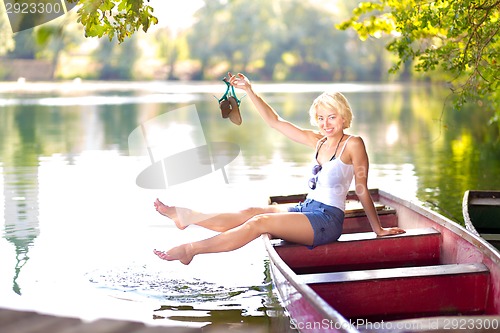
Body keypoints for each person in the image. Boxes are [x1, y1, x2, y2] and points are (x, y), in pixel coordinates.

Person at [153, 73, 405, 265]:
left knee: (260, 222)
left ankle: (191, 250)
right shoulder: (318, 141)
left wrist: (379, 230)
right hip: (307, 209)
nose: (325, 124)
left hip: (327, 221)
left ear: (343, 117)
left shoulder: (353, 144)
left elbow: (361, 191)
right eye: (320, 118)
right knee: (252, 212)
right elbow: (275, 122)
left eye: (331, 117)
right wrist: (250, 91)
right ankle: (187, 217)